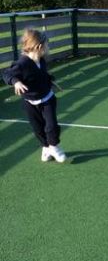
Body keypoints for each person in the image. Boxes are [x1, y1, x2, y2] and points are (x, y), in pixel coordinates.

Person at [2, 28, 66, 162]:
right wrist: (16, 82)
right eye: (47, 45)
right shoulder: (22, 63)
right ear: (39, 47)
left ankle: (54, 147)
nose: (48, 48)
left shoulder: (41, 60)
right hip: (30, 103)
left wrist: (51, 80)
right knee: (38, 129)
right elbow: (7, 74)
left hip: (48, 99)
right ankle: (46, 148)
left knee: (51, 125)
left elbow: (42, 75)